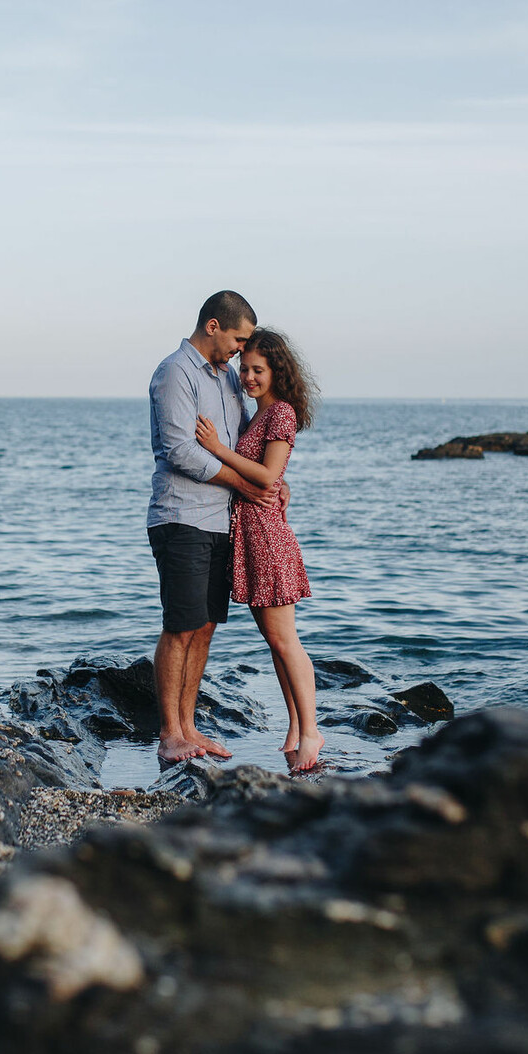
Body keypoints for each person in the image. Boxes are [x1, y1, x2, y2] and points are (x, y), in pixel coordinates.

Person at [146, 291, 283, 764]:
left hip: (220, 522)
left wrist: (272, 483)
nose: (242, 350)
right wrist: (245, 487)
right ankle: (169, 734)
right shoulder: (174, 373)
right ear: (213, 327)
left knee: (204, 627)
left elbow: (246, 446)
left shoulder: (227, 379)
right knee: (180, 626)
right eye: (239, 339)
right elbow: (181, 451)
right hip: (180, 517)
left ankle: (190, 727)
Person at [195, 327, 323, 771]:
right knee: (275, 640)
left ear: (277, 372)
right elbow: (272, 476)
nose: (247, 377)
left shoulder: (281, 413)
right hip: (251, 535)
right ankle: (295, 726)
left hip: (267, 537)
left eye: (257, 370)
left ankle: (311, 732)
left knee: (286, 641)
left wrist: (216, 449)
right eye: (244, 368)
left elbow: (267, 475)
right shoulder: (258, 416)